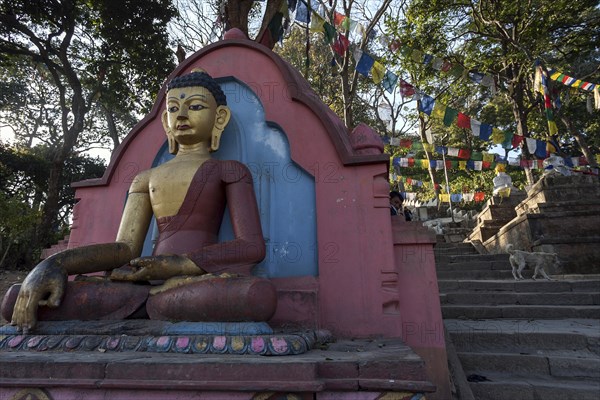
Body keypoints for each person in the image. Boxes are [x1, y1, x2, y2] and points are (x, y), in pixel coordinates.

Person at [4, 69, 276, 333]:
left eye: (194, 107)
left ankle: (153, 305)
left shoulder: (229, 170)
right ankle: (152, 305)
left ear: (219, 118)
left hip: (193, 282)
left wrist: (180, 264)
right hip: (140, 286)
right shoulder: (145, 178)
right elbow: (125, 249)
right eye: (172, 108)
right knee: (16, 297)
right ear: (165, 121)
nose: (180, 115)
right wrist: (55, 264)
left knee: (256, 296)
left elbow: (251, 247)